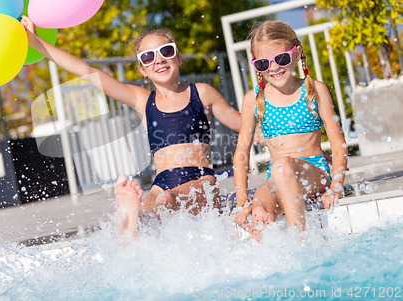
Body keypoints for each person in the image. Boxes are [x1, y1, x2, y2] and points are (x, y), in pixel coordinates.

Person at [21, 16, 243, 236]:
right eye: (148, 57)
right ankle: (131, 220)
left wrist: (273, 134)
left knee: (166, 199)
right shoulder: (144, 101)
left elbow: (243, 125)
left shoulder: (201, 93)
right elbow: (87, 72)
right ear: (142, 70)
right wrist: (36, 43)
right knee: (143, 216)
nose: (158, 60)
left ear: (178, 57)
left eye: (165, 51)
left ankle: (134, 216)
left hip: (201, 180)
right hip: (162, 182)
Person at [233, 20, 348, 240]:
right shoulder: (254, 99)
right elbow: (241, 152)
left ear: (296, 55)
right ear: (255, 65)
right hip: (276, 176)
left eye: (281, 59)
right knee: (259, 213)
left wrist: (336, 185)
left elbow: (338, 143)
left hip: (315, 172)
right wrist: (241, 201)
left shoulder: (314, 90)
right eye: (263, 64)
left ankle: (300, 241)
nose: (274, 68)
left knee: (282, 166)